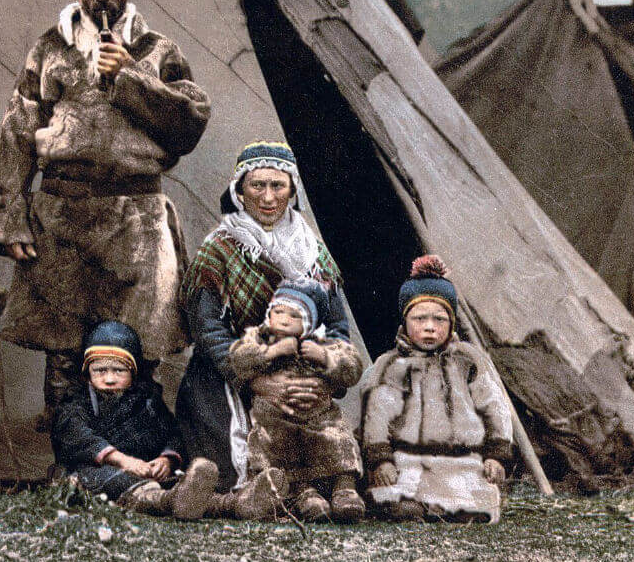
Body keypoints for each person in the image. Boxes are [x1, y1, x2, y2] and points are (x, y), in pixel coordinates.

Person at [0, 0, 211, 424]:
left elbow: (189, 125)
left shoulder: (158, 50)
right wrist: (9, 217)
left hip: (136, 214)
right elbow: (17, 130)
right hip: (62, 212)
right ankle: (72, 456)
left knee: (137, 343)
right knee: (64, 345)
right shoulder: (49, 48)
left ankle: (136, 446)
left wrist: (132, 77)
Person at [176, 141, 353, 497]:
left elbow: (336, 327)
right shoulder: (218, 249)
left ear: (292, 190)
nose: (268, 197)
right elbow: (208, 330)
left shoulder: (313, 252)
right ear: (240, 190)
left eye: (278, 185)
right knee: (232, 476)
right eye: (257, 185)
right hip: (229, 376)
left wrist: (322, 380)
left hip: (300, 374)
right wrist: (257, 381)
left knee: (322, 460)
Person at [51, 321, 276, 520]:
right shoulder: (76, 404)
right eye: (99, 370)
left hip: (145, 471)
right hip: (98, 472)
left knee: (183, 484)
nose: (109, 378)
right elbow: (80, 437)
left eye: (118, 370)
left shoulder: (146, 401)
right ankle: (168, 501)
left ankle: (236, 504)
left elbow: (172, 433)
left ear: (134, 371)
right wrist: (123, 461)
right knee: (117, 482)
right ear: (87, 371)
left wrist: (166, 460)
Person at [360, 255, 514, 523]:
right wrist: (381, 459)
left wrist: (497, 455)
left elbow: (494, 408)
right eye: (419, 319)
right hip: (408, 459)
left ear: (452, 322)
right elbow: (377, 415)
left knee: (477, 500)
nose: (429, 327)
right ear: (405, 322)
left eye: (439, 319)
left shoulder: (468, 360)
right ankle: (411, 506)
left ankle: (455, 506)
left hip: (461, 459)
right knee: (395, 494)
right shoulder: (392, 364)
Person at [228, 280, 365, 522]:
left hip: (319, 413)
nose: (283, 319)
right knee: (279, 445)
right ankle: (302, 493)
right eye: (278, 312)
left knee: (337, 437)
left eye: (294, 315)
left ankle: (344, 487)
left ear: (309, 322)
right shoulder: (259, 338)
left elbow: (352, 368)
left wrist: (325, 357)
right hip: (277, 415)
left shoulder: (322, 342)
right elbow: (238, 360)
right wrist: (272, 352)